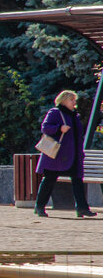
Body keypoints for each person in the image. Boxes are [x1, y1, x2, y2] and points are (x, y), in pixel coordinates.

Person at [35, 89, 96, 218]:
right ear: (64, 100)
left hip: (73, 155)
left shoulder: (74, 115)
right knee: (49, 181)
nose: (74, 102)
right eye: (71, 99)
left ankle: (82, 208)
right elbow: (45, 127)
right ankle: (39, 207)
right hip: (57, 156)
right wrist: (59, 128)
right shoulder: (55, 112)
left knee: (77, 181)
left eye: (74, 99)